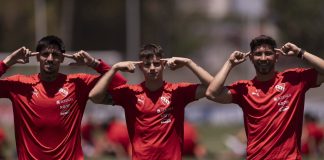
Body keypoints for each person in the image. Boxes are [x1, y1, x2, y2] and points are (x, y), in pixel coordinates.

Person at [0, 35, 126, 159]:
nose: (50, 59)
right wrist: (8, 61)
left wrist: (94, 63)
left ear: (62, 58)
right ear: (38, 57)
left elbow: (119, 83)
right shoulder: (19, 84)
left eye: (55, 55)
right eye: (45, 54)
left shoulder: (78, 84)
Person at [206, 35, 324, 159]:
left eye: (268, 53)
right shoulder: (244, 89)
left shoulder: (294, 79)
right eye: (258, 54)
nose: (263, 58)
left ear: (276, 56)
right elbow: (211, 93)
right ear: (251, 57)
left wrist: (300, 52)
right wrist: (229, 63)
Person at [89, 43, 213, 160]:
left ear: (164, 65)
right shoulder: (130, 93)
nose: (152, 68)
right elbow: (95, 96)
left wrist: (188, 63)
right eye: (147, 65)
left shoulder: (178, 92)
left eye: (156, 63)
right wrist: (114, 69)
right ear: (141, 67)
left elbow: (213, 86)